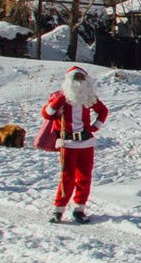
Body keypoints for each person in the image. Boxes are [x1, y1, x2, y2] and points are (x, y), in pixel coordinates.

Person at [40, 65, 108, 223]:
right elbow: (46, 114)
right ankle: (58, 209)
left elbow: (103, 111)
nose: (78, 81)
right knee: (67, 177)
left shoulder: (88, 97)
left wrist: (94, 127)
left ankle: (79, 209)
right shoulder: (60, 97)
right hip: (68, 143)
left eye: (81, 78)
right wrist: (57, 103)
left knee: (85, 177)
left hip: (86, 143)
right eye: (75, 78)